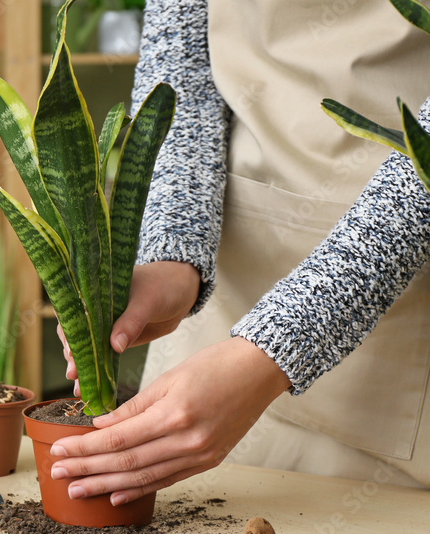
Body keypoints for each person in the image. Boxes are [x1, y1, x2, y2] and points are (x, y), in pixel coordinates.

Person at [52, 0, 430, 506]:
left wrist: (275, 348)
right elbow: (179, 69)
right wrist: (173, 255)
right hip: (222, 289)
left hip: (395, 282)